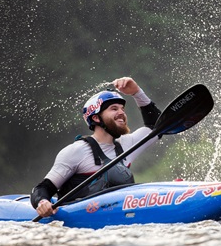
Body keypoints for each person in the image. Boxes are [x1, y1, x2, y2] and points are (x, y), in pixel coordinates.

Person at [30, 77, 162, 217]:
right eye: (114, 109)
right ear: (96, 118)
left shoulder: (127, 144)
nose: (122, 113)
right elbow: (43, 188)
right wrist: (43, 202)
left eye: (122, 109)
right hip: (78, 222)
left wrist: (137, 92)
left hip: (117, 218)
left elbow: (158, 127)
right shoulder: (76, 151)